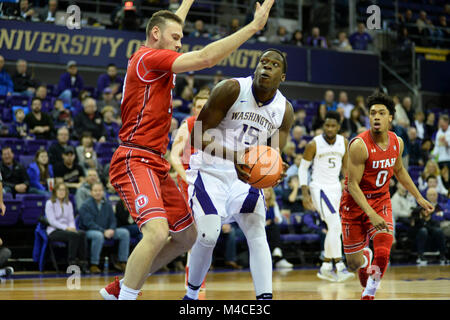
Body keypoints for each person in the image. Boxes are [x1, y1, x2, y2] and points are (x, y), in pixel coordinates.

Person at [101, 0, 275, 301]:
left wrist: (186, 3)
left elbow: (169, 24)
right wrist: (254, 26)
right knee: (156, 233)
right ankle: (127, 296)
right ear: (155, 34)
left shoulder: (158, 49)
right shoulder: (148, 58)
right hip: (134, 157)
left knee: (187, 236)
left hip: (155, 162)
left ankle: (122, 286)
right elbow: (207, 58)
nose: (180, 45)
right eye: (176, 39)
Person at [184, 48, 293, 301]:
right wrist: (235, 157)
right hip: (210, 171)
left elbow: (273, 154)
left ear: (283, 76)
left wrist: (277, 170)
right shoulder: (231, 89)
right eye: (262, 62)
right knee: (208, 235)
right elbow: (197, 135)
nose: (266, 67)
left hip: (244, 176)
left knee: (257, 230)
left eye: (274, 64)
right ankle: (191, 295)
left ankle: (264, 300)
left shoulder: (284, 110)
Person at [339, 92, 434, 300]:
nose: (376, 117)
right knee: (353, 264)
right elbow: (352, 185)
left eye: (381, 113)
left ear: (390, 117)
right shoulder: (359, 145)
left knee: (384, 248)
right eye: (373, 113)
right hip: (354, 204)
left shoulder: (397, 142)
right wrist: (371, 214)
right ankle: (364, 258)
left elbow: (399, 170)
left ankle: (369, 294)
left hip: (381, 199)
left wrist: (418, 196)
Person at [299, 111, 354, 282]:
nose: (329, 129)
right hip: (319, 188)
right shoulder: (314, 144)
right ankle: (339, 266)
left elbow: (345, 170)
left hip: (335, 189)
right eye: (327, 125)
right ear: (324, 125)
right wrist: (305, 192)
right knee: (335, 225)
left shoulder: (343, 142)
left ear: (338, 126)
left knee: (333, 228)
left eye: (333, 126)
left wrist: (348, 187)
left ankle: (325, 266)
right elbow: (303, 169)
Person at [78, 182, 130, 273]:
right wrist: (103, 231)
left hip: (107, 230)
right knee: (98, 236)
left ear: (103, 192)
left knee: (124, 233)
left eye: (100, 190)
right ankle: (94, 264)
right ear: (91, 192)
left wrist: (112, 229)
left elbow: (113, 220)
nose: (98, 193)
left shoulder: (107, 205)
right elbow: (88, 223)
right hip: (90, 231)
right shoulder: (85, 205)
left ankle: (122, 261)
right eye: (95, 191)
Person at [170, 92, 209, 200]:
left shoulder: (220, 126)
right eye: (199, 107)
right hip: (190, 176)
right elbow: (174, 156)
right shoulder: (187, 125)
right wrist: (186, 178)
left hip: (210, 177)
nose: (202, 109)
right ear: (194, 110)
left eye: (205, 106)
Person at [45, 182, 89, 273]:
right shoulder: (49, 203)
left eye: (63, 190)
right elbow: (52, 221)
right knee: (73, 235)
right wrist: (66, 228)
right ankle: (71, 263)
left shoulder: (68, 203)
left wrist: (72, 228)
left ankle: (83, 262)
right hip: (54, 230)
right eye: (59, 190)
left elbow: (71, 220)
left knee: (82, 234)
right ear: (55, 191)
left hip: (68, 230)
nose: (62, 192)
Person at [263, 187, 293, 269]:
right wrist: (266, 223)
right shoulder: (259, 204)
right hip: (261, 228)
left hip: (272, 227)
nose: (266, 193)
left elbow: (279, 219)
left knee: (275, 227)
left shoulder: (274, 204)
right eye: (265, 191)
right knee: (273, 229)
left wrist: (276, 219)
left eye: (268, 191)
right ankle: (279, 257)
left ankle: (277, 253)